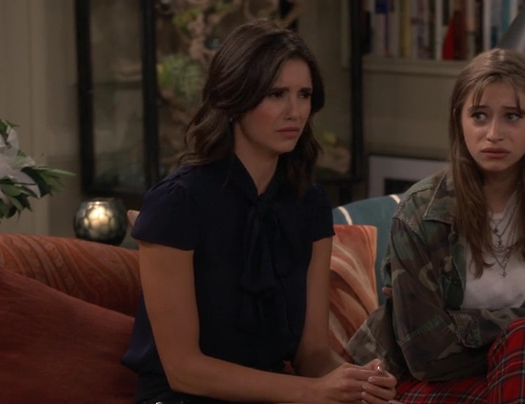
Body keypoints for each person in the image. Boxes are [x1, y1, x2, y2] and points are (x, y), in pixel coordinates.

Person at [122, 19, 396, 404]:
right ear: (235, 99)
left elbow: (312, 354)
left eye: (304, 95)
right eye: (276, 94)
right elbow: (183, 369)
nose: (294, 112)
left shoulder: (309, 204)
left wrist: (358, 383)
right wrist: (313, 392)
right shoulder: (177, 203)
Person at [347, 48, 525, 403]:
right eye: (479, 116)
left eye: (512, 116)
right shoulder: (420, 212)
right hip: (427, 384)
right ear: (459, 119)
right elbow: (425, 353)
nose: (494, 133)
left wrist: (461, 326)